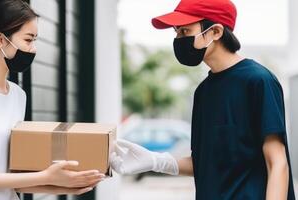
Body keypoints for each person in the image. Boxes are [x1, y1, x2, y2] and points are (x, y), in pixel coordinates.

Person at [110, 0, 296, 199]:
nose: (179, 39)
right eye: (177, 32)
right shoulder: (203, 92)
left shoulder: (259, 81)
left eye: (185, 31)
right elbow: (204, 164)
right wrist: (155, 161)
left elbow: (277, 163)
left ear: (215, 32)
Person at [0, 0, 104, 199]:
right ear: (0, 39)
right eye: (28, 40)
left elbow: (10, 179)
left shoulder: (18, 95)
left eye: (34, 40)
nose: (33, 49)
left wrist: (64, 185)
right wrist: (45, 176)